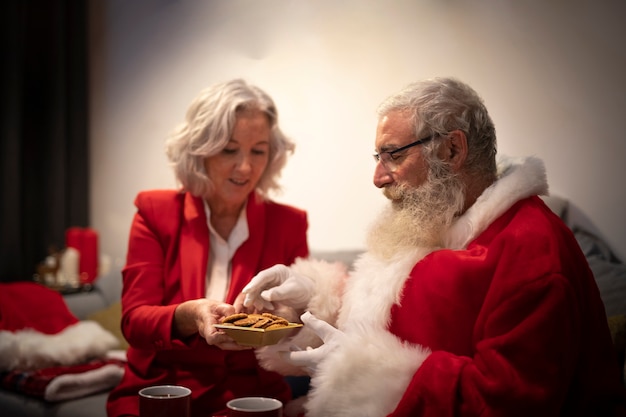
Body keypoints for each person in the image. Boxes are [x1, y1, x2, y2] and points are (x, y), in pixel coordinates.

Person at [242, 77, 626, 416]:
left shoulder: (533, 251)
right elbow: (395, 320)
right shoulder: (442, 218)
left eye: (394, 154)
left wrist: (362, 371)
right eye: (378, 157)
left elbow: (508, 402)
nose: (377, 178)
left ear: (452, 151)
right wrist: (310, 299)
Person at [106, 79, 309, 417]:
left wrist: (285, 317)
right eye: (229, 150)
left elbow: (300, 320)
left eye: (257, 151)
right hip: (165, 391)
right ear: (200, 150)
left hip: (251, 396)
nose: (245, 167)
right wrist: (188, 315)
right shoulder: (155, 212)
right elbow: (134, 323)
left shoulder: (289, 223)